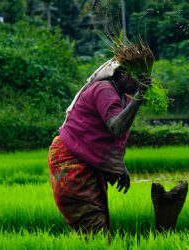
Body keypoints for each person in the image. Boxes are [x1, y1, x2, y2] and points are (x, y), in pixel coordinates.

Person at [48, 58, 151, 233]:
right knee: (93, 226)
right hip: (71, 160)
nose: (141, 81)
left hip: (84, 159)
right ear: (124, 74)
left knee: (91, 227)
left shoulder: (122, 96)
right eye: (138, 76)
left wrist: (119, 166)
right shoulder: (104, 89)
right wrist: (140, 96)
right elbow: (115, 127)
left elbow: (106, 138)